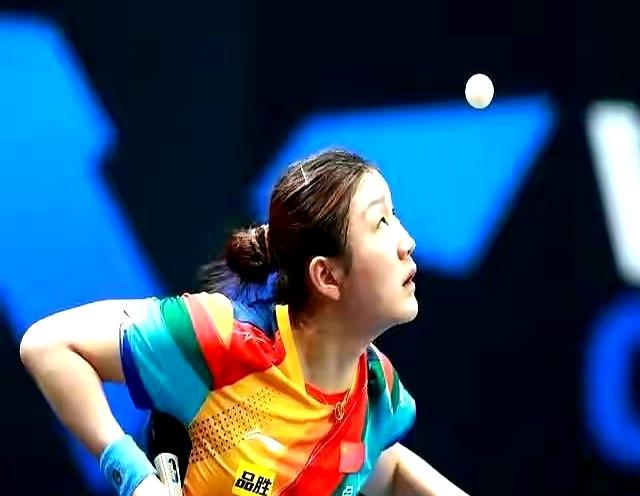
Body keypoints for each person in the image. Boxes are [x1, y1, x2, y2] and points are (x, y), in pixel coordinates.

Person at [20, 150, 469, 496]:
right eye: (380, 223)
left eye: (396, 215)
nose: (407, 242)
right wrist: (135, 478)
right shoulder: (222, 343)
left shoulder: (374, 392)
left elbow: (379, 468)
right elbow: (49, 345)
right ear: (327, 277)